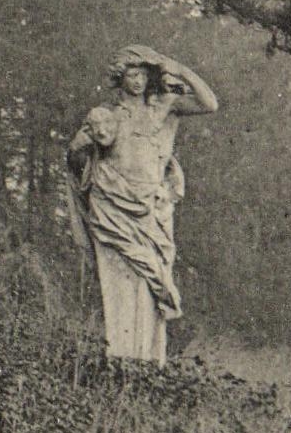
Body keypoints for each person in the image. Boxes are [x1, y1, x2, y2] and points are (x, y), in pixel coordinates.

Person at [67, 45, 218, 366]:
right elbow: (75, 157)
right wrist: (86, 144)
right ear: (120, 78)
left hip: (150, 209)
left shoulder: (163, 107)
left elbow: (209, 103)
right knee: (119, 283)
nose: (136, 81)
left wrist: (176, 66)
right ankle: (120, 358)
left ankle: (148, 363)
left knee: (151, 287)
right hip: (111, 207)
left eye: (142, 75)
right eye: (130, 75)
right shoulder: (104, 116)